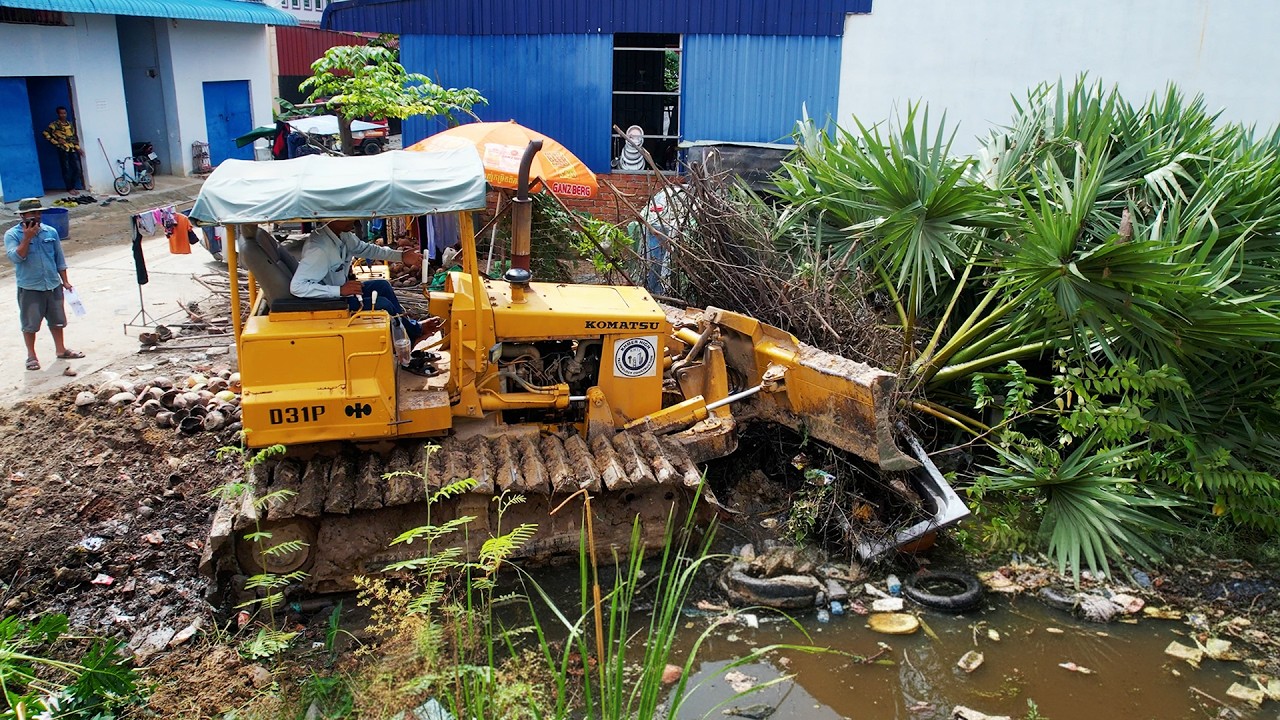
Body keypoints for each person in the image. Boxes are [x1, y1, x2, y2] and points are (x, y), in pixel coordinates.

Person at [290, 219, 442, 341]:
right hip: (330, 302)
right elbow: (297, 287)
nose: (355, 219)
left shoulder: (342, 235)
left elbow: (367, 249)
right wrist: (340, 291)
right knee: (383, 305)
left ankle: (413, 331)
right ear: (329, 218)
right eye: (347, 216)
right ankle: (404, 342)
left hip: (342, 292)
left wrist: (401, 256)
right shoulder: (319, 250)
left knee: (382, 286)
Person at [4, 198, 84, 371]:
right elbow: (15, 258)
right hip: (30, 287)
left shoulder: (50, 232)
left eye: (39, 213)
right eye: (33, 213)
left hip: (52, 284)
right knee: (30, 324)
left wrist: (65, 281)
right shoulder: (12, 235)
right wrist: (27, 238)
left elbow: (59, 259)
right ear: (23, 216)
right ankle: (31, 356)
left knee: (57, 320)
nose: (37, 216)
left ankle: (61, 349)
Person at [42, 106, 86, 197]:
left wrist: (78, 148)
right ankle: (69, 188)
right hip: (63, 149)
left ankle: (73, 186)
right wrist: (56, 142)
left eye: (64, 113)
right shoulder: (54, 125)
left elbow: (73, 137)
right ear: (58, 114)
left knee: (77, 169)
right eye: (61, 113)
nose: (63, 115)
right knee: (66, 169)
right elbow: (45, 133)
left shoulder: (69, 124)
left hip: (72, 148)